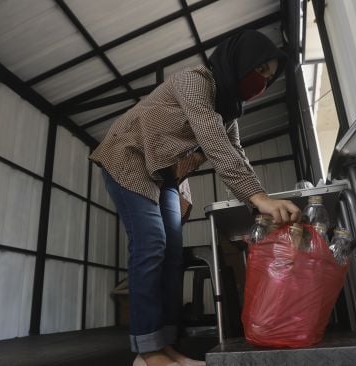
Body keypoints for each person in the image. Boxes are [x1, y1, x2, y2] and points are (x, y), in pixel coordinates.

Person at [89, 30, 302, 366]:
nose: (262, 83)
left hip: (164, 175)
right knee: (151, 245)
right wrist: (258, 198)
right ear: (239, 61)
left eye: (270, 78)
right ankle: (147, 353)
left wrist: (259, 199)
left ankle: (168, 348)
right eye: (260, 70)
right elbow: (213, 142)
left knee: (173, 255)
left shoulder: (228, 111)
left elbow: (237, 153)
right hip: (128, 157)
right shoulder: (195, 81)